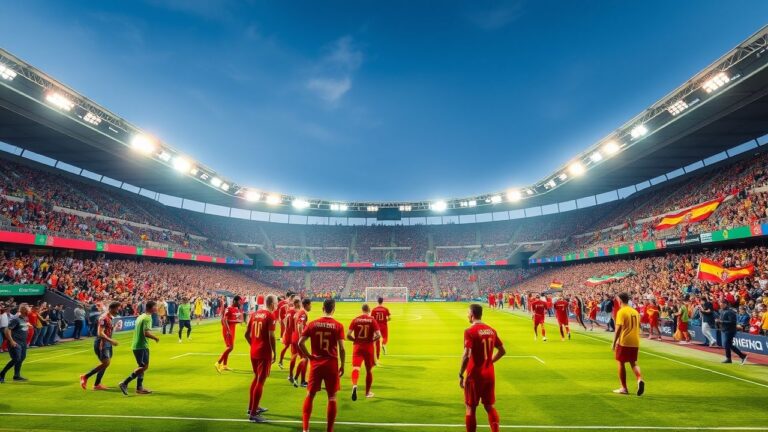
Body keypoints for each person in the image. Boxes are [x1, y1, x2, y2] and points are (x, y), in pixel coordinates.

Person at [298, 298, 345, 432]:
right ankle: (329, 430)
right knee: (332, 397)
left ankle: (305, 429)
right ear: (334, 309)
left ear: (322, 308)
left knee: (310, 395)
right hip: (331, 364)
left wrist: (309, 356)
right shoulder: (338, 325)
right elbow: (342, 348)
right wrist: (343, 365)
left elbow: (300, 343)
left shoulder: (312, 324)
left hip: (316, 363)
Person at [459, 304, 505, 432]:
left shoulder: (469, 331)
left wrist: (460, 373)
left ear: (472, 315)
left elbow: (466, 355)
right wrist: (490, 361)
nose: (467, 315)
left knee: (470, 408)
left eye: (468, 313)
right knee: (489, 406)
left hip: (474, 375)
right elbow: (502, 351)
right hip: (489, 374)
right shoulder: (491, 330)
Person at [245, 294, 277, 423]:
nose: (276, 305)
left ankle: (251, 407)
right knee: (260, 381)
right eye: (276, 303)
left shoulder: (254, 314)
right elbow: (271, 336)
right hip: (264, 352)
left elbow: (246, 334)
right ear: (271, 303)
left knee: (256, 378)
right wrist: (275, 352)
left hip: (254, 351)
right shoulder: (270, 316)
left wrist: (253, 344)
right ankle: (253, 414)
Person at [119, 301, 159, 395]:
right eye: (155, 306)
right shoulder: (147, 318)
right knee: (144, 367)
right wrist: (155, 337)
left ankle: (139, 388)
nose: (156, 308)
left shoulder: (141, 316)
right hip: (141, 345)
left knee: (141, 366)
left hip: (136, 345)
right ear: (151, 308)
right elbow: (146, 333)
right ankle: (125, 383)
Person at [80, 302, 120, 391]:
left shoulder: (109, 318)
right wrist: (111, 341)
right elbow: (100, 332)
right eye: (117, 309)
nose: (118, 311)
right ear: (111, 308)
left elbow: (107, 329)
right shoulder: (103, 318)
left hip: (107, 343)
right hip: (102, 343)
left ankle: (97, 384)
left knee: (105, 364)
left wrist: (115, 327)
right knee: (105, 363)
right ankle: (85, 376)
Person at [611, 293, 645, 396]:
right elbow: (639, 326)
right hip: (635, 341)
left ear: (620, 300)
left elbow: (618, 329)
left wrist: (614, 342)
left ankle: (624, 388)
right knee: (633, 363)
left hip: (624, 340)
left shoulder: (621, 312)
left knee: (620, 362)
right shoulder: (635, 311)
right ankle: (640, 379)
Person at [347, 304, 381, 401]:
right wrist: (372, 339)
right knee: (368, 371)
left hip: (357, 347)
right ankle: (367, 393)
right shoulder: (372, 320)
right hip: (368, 347)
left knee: (356, 368)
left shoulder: (355, 320)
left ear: (362, 310)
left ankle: (354, 385)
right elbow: (378, 335)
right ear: (369, 310)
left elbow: (348, 335)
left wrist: (356, 340)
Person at [0, 303, 30, 383]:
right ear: (23, 310)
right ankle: (2, 374)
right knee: (16, 358)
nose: (29, 310)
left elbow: (23, 328)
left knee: (22, 358)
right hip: (15, 342)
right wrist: (11, 341)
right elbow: (7, 330)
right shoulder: (16, 319)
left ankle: (16, 375)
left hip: (23, 342)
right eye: (27, 309)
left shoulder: (25, 319)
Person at [216, 296, 243, 373]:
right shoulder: (229, 308)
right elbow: (224, 320)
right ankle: (218, 362)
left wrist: (238, 320)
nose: (240, 304)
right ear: (234, 301)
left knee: (228, 347)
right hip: (227, 330)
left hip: (232, 329)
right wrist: (228, 330)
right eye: (239, 302)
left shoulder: (236, 309)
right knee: (230, 347)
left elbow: (234, 320)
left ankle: (224, 365)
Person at [716, 300, 748, 365]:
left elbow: (732, 322)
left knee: (726, 344)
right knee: (728, 345)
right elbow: (722, 320)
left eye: (721, 304)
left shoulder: (730, 312)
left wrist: (721, 322)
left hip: (730, 331)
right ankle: (729, 358)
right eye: (720, 304)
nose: (720, 305)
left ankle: (741, 356)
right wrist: (718, 322)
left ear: (725, 304)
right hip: (724, 330)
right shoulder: (722, 311)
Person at [290, 298, 311, 388]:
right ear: (306, 305)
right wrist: (301, 337)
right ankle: (297, 378)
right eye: (310, 305)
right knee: (305, 358)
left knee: (303, 358)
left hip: (294, 337)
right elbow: (300, 325)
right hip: (298, 339)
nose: (311, 307)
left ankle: (301, 380)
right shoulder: (302, 313)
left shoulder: (298, 312)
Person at [278, 294, 295, 369]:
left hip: (288, 331)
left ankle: (281, 361)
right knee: (293, 348)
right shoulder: (292, 308)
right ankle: (291, 365)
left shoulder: (285, 307)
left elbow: (283, 319)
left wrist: (286, 327)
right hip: (291, 331)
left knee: (288, 346)